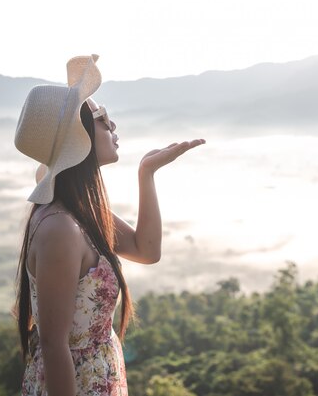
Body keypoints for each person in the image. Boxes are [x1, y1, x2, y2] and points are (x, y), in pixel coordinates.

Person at [13, 54, 205, 396]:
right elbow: (55, 347)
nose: (113, 127)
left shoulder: (80, 212)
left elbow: (146, 251)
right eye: (103, 119)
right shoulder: (61, 230)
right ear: (80, 137)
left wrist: (147, 173)